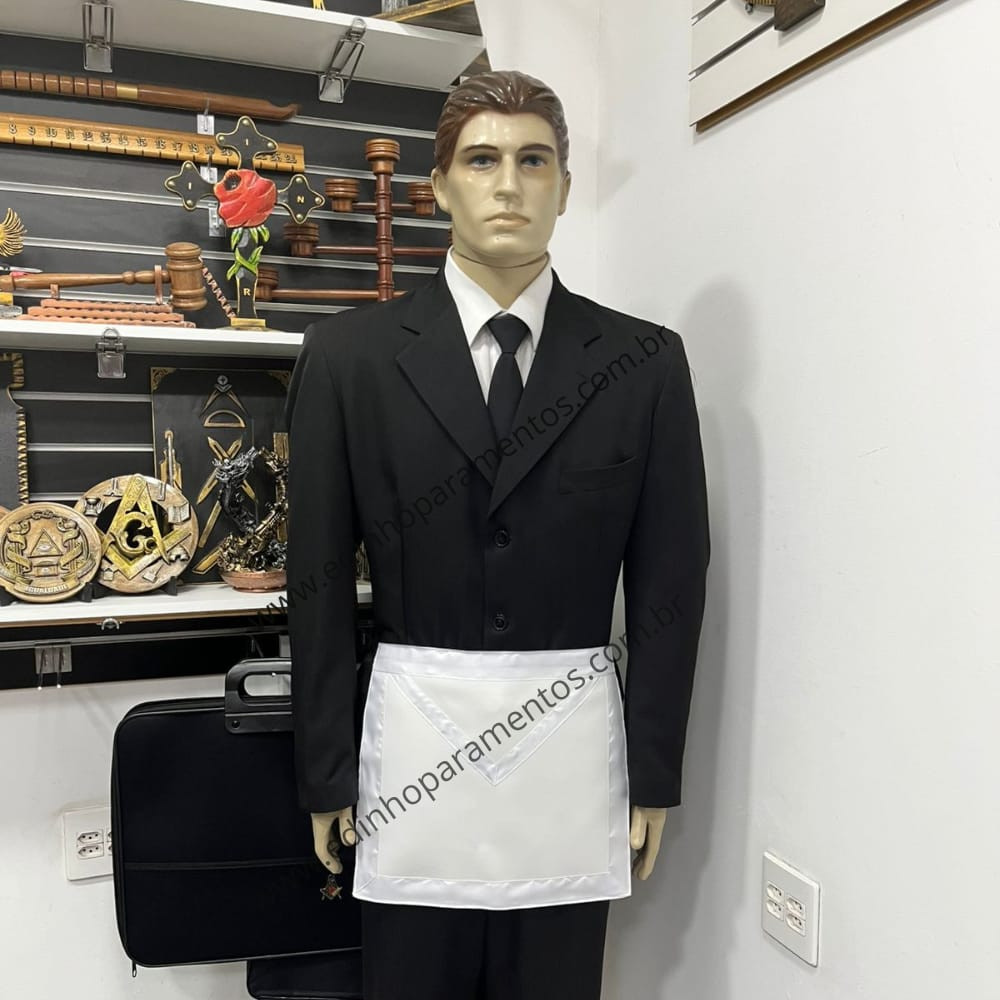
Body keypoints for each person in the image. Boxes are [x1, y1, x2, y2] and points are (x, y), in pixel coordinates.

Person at [284, 69, 710, 1000]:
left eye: (534, 160)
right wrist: (326, 773)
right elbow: (313, 581)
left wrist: (654, 772)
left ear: (564, 185)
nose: (509, 185)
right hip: (412, 756)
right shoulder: (348, 361)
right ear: (440, 185)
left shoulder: (642, 364)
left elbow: (672, 584)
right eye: (481, 161)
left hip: (570, 761)